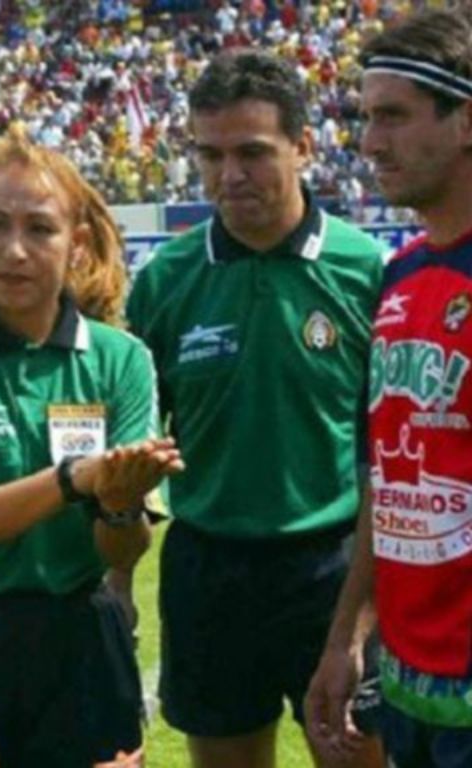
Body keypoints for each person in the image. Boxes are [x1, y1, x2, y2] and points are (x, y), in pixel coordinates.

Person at [126, 50, 387, 768]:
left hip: (332, 568)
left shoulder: (366, 271)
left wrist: (363, 614)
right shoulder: (165, 282)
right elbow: (136, 445)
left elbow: (388, 454)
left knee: (358, 757)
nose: (228, 174)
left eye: (252, 152)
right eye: (209, 154)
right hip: (209, 566)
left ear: (303, 147)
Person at [0, 123, 183, 768]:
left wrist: (116, 503)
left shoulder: (120, 359)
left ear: (76, 244)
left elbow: (124, 549)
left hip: (82, 634)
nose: (15, 250)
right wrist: (75, 480)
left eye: (40, 229)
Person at [305, 9, 472, 768]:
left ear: (465, 121)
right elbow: (386, 479)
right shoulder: (400, 276)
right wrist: (347, 635)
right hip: (410, 688)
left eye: (394, 118)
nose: (370, 143)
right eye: (368, 118)